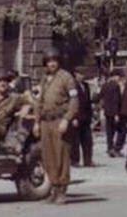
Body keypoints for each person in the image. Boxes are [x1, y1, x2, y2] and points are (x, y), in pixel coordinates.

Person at [34, 51, 78, 205]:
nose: (51, 64)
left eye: (54, 60)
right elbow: (39, 101)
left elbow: (74, 101)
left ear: (59, 62)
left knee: (61, 156)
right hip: (46, 122)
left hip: (59, 121)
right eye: (48, 61)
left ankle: (62, 190)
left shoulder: (66, 77)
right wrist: (36, 122)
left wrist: (67, 119)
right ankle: (53, 188)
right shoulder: (44, 79)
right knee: (48, 156)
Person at [69, 67, 94, 168]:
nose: (83, 76)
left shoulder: (86, 85)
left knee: (87, 140)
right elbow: (72, 102)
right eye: (81, 74)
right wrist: (73, 117)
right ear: (76, 74)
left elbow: (88, 102)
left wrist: (90, 115)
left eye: (84, 74)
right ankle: (75, 160)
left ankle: (88, 160)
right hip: (77, 117)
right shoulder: (72, 86)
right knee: (75, 140)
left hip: (86, 117)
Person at [98, 68, 122, 158]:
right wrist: (116, 114)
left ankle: (109, 147)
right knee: (121, 130)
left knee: (109, 131)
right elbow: (116, 100)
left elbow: (100, 96)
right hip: (115, 111)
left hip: (107, 111)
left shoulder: (105, 85)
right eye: (119, 77)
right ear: (115, 76)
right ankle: (116, 148)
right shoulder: (116, 86)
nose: (119, 79)